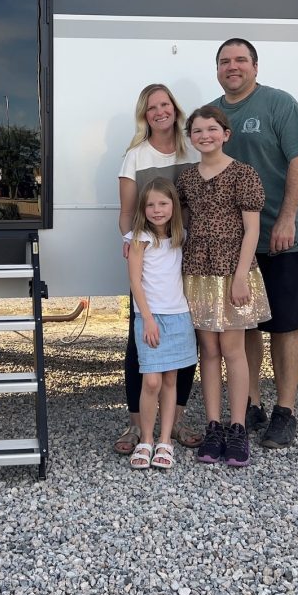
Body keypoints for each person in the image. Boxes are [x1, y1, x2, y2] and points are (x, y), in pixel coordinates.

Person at [211, 38, 298, 449]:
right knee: (245, 324)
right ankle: (251, 402)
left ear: (255, 66)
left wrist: (288, 216)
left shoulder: (279, 104)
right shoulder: (214, 113)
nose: (232, 67)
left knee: (285, 326)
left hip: (279, 237)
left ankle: (285, 412)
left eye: (240, 60)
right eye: (224, 61)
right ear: (217, 69)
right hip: (234, 245)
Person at [176, 107, 270, 467]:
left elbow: (252, 230)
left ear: (226, 133)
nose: (205, 135)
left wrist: (242, 275)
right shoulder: (187, 179)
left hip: (233, 271)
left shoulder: (243, 174)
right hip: (198, 271)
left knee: (233, 349)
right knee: (208, 351)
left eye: (212, 129)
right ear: (191, 137)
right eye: (197, 130)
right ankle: (213, 425)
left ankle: (238, 427)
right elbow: (184, 224)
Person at [114, 84, 202, 455]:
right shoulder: (135, 156)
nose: (160, 111)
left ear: (175, 109)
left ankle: (176, 421)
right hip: (151, 260)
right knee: (141, 348)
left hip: (191, 257)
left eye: (165, 104)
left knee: (185, 347)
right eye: (152, 107)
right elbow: (127, 212)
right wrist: (132, 241)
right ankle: (137, 426)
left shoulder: (194, 149)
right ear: (144, 115)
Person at [126, 178, 198, 470]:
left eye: (163, 204)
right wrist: (148, 319)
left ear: (173, 207)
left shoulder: (180, 237)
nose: (157, 210)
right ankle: (146, 438)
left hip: (178, 316)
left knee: (170, 380)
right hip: (151, 317)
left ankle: (165, 440)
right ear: (143, 208)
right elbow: (135, 281)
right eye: (151, 204)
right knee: (152, 380)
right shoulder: (139, 238)